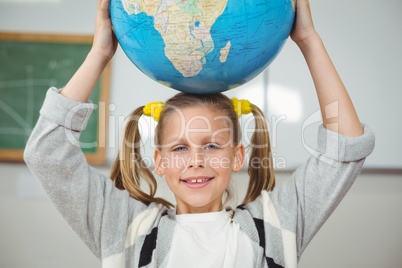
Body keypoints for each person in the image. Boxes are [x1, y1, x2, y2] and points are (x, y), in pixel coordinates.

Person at [24, 0, 375, 267]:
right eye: (179, 148)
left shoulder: (276, 226)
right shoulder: (123, 227)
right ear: (158, 161)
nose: (196, 161)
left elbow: (345, 150)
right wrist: (100, 53)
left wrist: (309, 40)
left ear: (237, 155)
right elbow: (46, 153)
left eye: (211, 145)